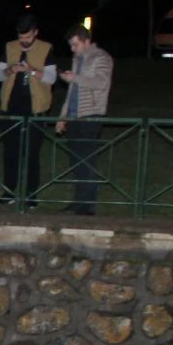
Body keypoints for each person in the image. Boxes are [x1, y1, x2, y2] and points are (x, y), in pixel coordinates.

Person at [0, 14, 56, 208]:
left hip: (35, 109)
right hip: (11, 109)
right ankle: (9, 191)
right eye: (21, 38)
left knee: (31, 154)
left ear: (36, 32)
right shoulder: (9, 47)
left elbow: (51, 78)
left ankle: (31, 194)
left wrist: (31, 70)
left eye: (28, 37)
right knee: (10, 153)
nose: (24, 42)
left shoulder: (46, 48)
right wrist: (10, 70)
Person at [56, 25, 114, 216]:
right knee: (76, 161)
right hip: (74, 116)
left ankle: (87, 206)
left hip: (91, 115)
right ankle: (78, 201)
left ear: (86, 41)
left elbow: (101, 82)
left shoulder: (101, 57)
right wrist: (62, 117)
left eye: (75, 44)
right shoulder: (77, 59)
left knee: (86, 160)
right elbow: (72, 91)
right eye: (71, 45)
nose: (72, 49)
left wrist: (76, 78)